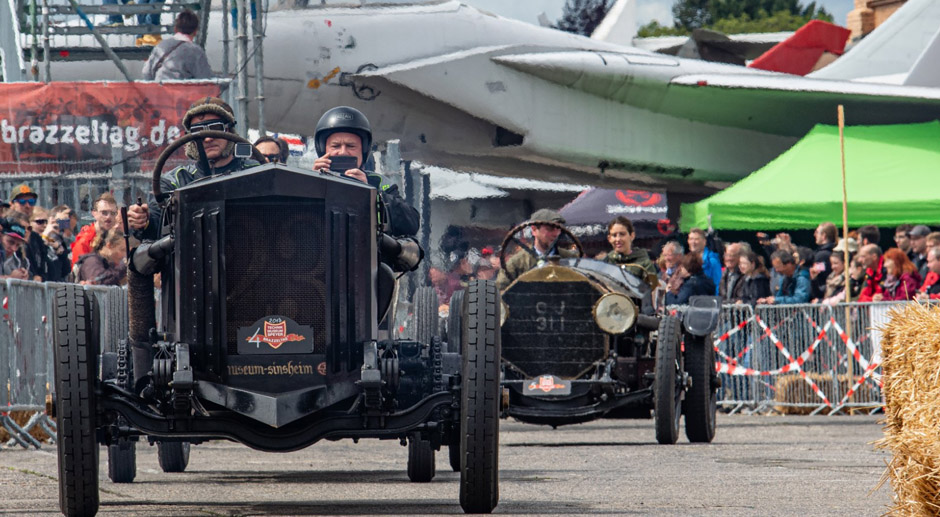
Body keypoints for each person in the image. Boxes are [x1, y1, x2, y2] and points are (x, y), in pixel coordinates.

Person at [127, 97, 260, 240]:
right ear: (191, 139)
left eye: (215, 128)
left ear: (228, 130)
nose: (208, 139)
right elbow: (157, 221)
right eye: (198, 132)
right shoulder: (176, 180)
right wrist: (143, 220)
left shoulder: (256, 173)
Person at [311, 106, 419, 237]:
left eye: (351, 146)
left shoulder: (379, 183)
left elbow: (411, 223)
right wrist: (312, 184)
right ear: (323, 149)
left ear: (363, 150)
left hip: (366, 253)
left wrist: (370, 192)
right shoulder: (305, 181)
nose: (343, 152)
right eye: (335, 146)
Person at [495, 208, 576, 290]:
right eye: (550, 228)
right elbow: (501, 291)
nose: (556, 233)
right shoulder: (516, 263)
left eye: (558, 228)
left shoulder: (571, 259)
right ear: (534, 230)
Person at [142, 10, 211, 81]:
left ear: (175, 29)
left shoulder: (160, 46)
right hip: (181, 91)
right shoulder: (196, 51)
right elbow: (205, 79)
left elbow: (146, 72)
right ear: (195, 32)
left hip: (159, 89)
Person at [8, 184, 49, 280]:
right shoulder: (7, 232)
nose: (27, 206)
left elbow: (44, 266)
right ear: (11, 204)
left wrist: (40, 277)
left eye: (31, 202)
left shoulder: (35, 237)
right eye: (22, 202)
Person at [601, 216, 655, 281]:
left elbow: (651, 288)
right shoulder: (605, 263)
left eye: (622, 234)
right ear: (609, 238)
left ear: (632, 236)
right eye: (614, 235)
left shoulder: (644, 264)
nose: (618, 239)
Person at [72, 192, 120, 266]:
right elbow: (79, 272)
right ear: (94, 213)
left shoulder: (117, 238)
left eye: (113, 213)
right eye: (104, 213)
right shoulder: (84, 241)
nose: (108, 217)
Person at [687, 227, 720, 295]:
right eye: (691, 239)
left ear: (704, 242)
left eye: (696, 239)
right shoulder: (687, 259)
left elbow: (718, 284)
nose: (693, 242)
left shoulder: (712, 261)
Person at [810, 222, 837, 299]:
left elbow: (818, 275)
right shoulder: (833, 252)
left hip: (821, 293)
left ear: (823, 235)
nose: (814, 235)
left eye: (817, 232)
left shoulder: (821, 256)